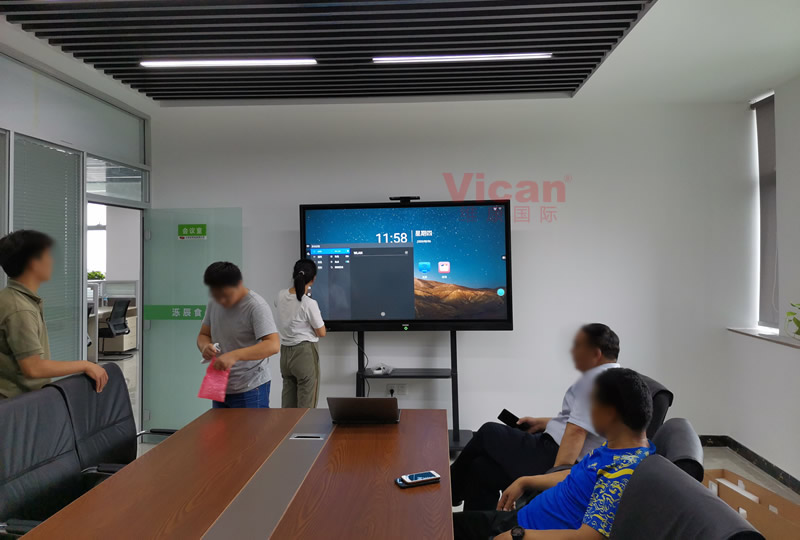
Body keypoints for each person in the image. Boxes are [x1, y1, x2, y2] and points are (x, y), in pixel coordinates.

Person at [453, 368, 655, 540]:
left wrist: (518, 535)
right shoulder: (619, 446)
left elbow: (590, 536)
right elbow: (576, 474)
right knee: (477, 477)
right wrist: (526, 481)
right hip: (525, 517)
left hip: (526, 531)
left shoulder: (622, 472)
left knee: (442, 529)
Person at [451, 323, 621, 511]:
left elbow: (577, 431)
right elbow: (586, 423)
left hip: (553, 456)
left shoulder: (594, 383)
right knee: (482, 468)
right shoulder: (619, 380)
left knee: (489, 433)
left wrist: (555, 476)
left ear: (596, 354)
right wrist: (543, 422)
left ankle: (448, 491)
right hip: (558, 451)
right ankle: (476, 524)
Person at [0, 230, 108, 399]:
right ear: (33, 263)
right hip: (16, 405)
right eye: (48, 256)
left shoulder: (14, 299)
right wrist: (85, 365)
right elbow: (33, 368)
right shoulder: (20, 309)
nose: (52, 261)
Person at [197, 261, 280, 408]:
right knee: (219, 424)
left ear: (239, 284)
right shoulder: (214, 303)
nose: (222, 301)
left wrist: (235, 355)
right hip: (220, 384)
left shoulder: (256, 306)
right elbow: (204, 334)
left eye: (226, 295)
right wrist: (205, 347)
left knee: (251, 425)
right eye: (217, 295)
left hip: (250, 386)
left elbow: (273, 345)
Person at [275, 259, 326, 408]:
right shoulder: (308, 303)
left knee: (288, 404)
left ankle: (287, 425)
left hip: (285, 353)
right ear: (313, 279)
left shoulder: (280, 295)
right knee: (307, 405)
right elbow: (321, 332)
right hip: (305, 353)